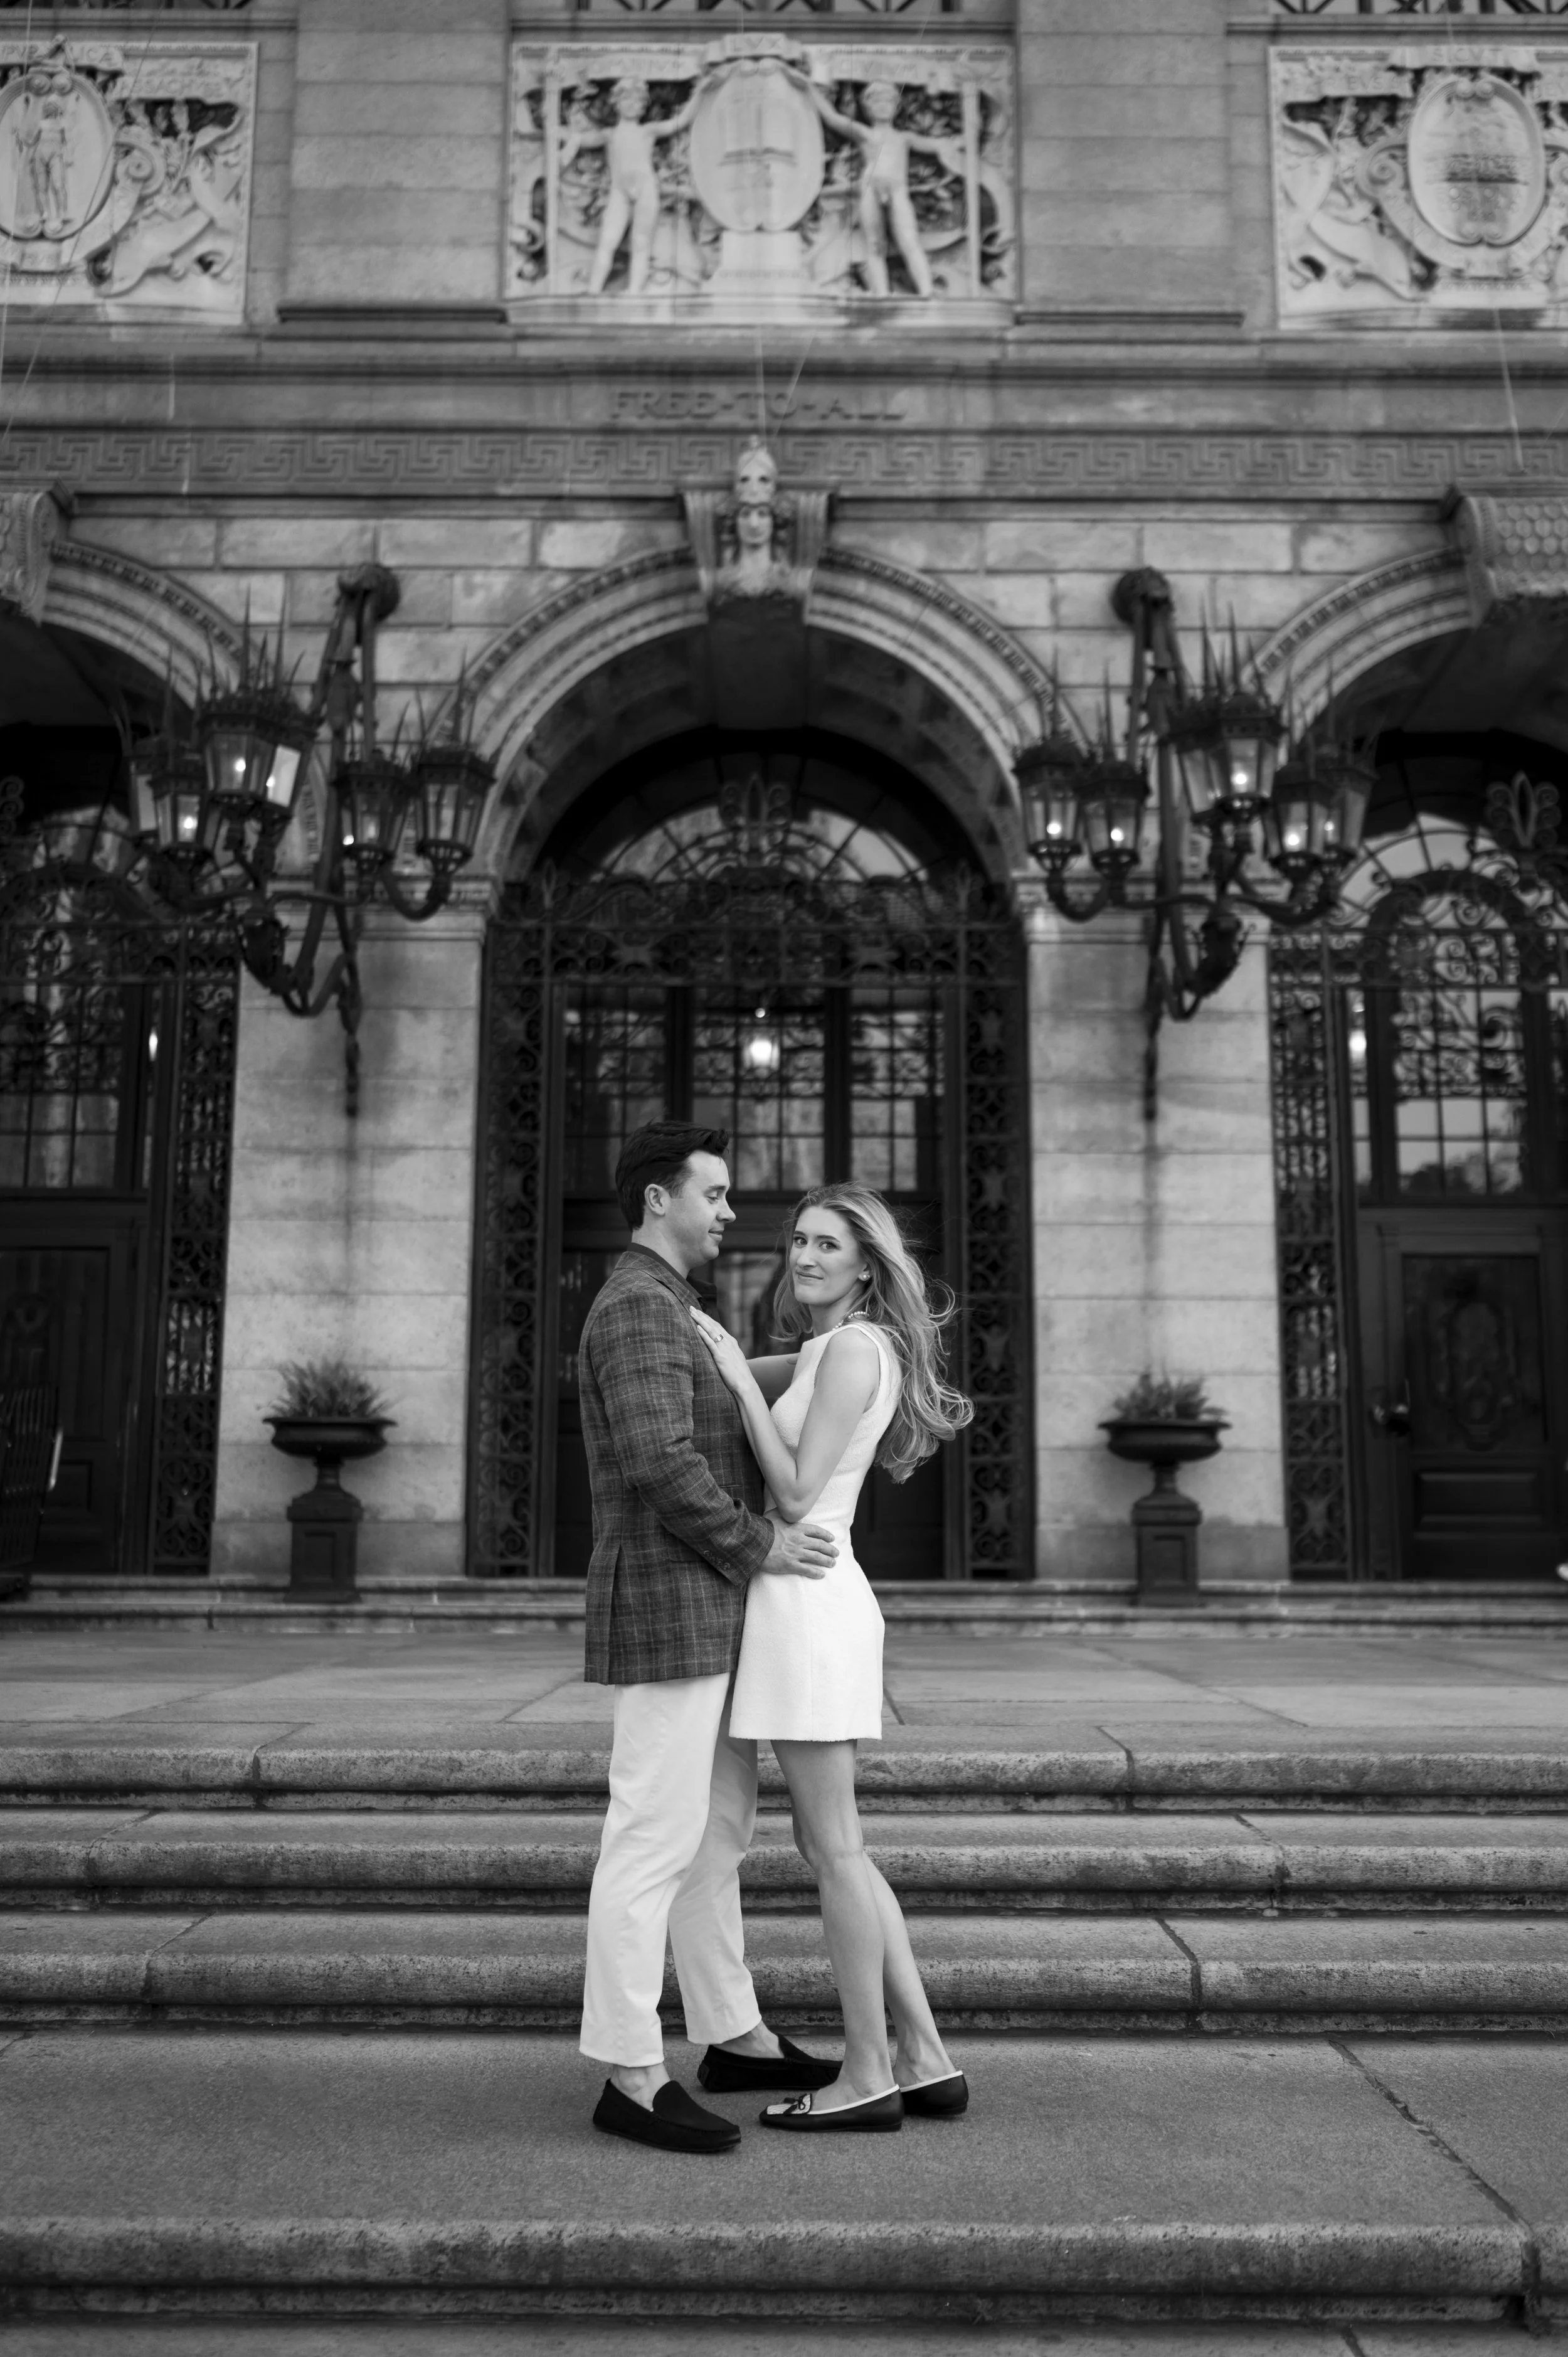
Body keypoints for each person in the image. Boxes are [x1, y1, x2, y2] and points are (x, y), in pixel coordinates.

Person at [578, 1119, 843, 2155]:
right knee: (650, 1840)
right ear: (659, 1200)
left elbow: (731, 1390)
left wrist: (848, 1347)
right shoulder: (640, 1308)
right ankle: (631, 2073)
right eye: (717, 1194)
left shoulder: (675, 1308)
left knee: (713, 1839)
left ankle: (732, 2034)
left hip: (708, 1610)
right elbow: (659, 1460)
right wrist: (760, 1545)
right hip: (670, 1606)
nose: (734, 1213)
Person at [691, 1179, 975, 2133]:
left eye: (827, 1245)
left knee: (837, 1851)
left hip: (810, 1600)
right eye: (798, 1241)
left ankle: (865, 2074)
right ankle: (926, 2056)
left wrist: (735, 1379)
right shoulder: (830, 1347)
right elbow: (725, 1365)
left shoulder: (856, 1348)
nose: (805, 1256)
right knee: (833, 1846)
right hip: (802, 1604)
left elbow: (802, 1495)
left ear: (866, 1265)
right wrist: (719, 1358)